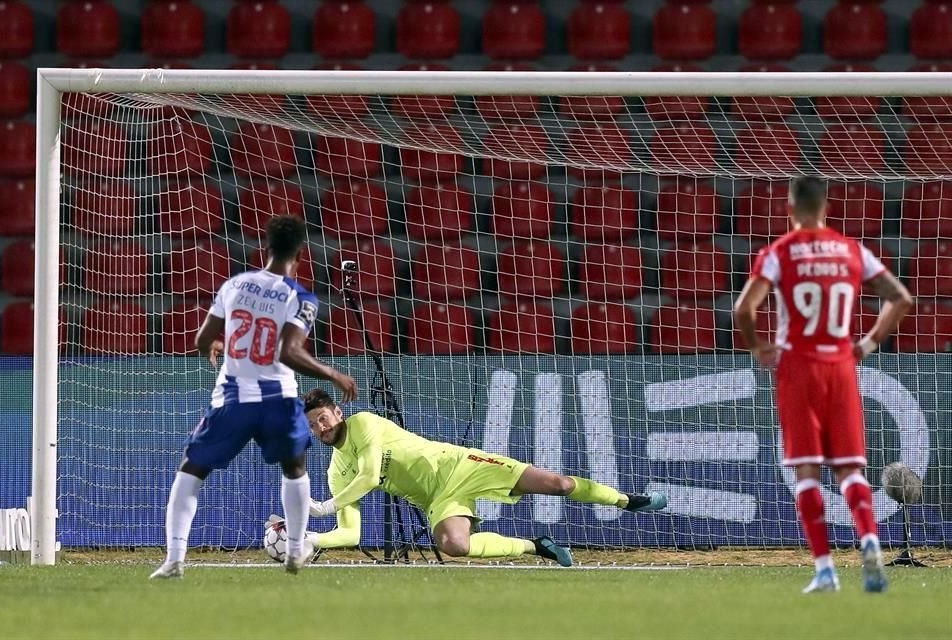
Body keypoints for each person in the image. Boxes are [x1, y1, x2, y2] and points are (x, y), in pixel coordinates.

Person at [150, 217, 358, 579]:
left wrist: (221, 344)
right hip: (278, 397)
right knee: (294, 469)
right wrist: (333, 373)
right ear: (300, 253)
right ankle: (295, 549)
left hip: (233, 397)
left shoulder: (235, 285)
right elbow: (288, 353)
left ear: (265, 247)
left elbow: (202, 340)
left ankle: (174, 558)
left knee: (192, 469)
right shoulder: (300, 297)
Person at [734, 177, 913, 594]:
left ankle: (825, 569)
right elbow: (901, 297)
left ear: (791, 209)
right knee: (850, 468)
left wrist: (759, 346)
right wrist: (866, 344)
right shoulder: (852, 250)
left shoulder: (778, 253)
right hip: (841, 364)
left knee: (808, 471)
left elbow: (745, 307)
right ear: (827, 207)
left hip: (798, 366)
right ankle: (870, 540)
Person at [275, 388, 667, 567]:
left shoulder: (362, 424)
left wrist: (324, 507)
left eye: (322, 419)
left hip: (461, 465)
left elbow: (370, 472)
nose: (320, 428)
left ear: (337, 413)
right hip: (437, 498)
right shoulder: (333, 470)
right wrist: (308, 538)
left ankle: (627, 500)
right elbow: (353, 534)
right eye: (313, 426)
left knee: (559, 485)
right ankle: (536, 546)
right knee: (454, 545)